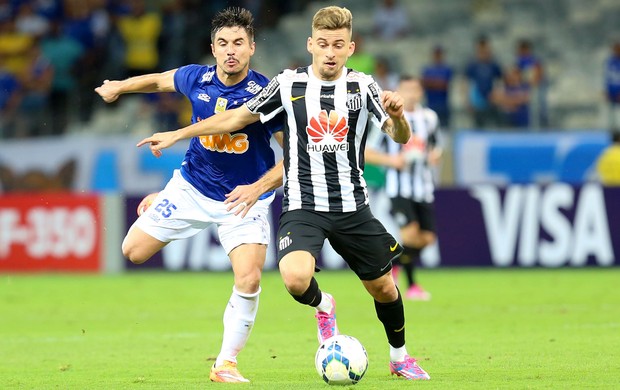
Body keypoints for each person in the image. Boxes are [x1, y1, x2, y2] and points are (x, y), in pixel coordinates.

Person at [137, 6, 431, 381]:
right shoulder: (288, 84)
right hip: (303, 204)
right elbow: (235, 118)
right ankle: (324, 308)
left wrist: (400, 116)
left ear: (350, 48)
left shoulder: (365, 87)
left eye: (338, 45)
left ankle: (399, 356)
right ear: (310, 44)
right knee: (294, 279)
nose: (329, 52)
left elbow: (399, 137)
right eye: (323, 44)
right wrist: (178, 134)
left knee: (384, 288)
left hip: (352, 205)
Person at [94, 7, 283, 383]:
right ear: (212, 49)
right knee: (132, 251)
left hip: (242, 199)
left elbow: (295, 157)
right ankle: (159, 201)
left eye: (239, 43)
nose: (231, 50)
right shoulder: (196, 77)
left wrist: (259, 188)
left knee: (249, 279)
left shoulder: (266, 94)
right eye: (223, 43)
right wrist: (119, 85)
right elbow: (159, 81)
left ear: (252, 49)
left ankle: (226, 363)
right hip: (192, 188)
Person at [365, 76, 441, 301]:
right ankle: (412, 286)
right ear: (398, 91)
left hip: (423, 187)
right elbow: (367, 152)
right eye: (406, 89)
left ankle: (393, 265)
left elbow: (435, 146)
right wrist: (393, 161)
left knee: (427, 238)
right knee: (409, 236)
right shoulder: (387, 119)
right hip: (399, 188)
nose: (411, 94)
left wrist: (435, 156)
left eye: (415, 89)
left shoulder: (429, 118)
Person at [465, 36, 503, 128]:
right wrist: (468, 101)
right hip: (477, 102)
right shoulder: (473, 65)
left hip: (491, 101)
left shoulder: (493, 65)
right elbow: (466, 83)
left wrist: (498, 95)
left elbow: (500, 81)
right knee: (479, 127)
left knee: (494, 125)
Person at [422, 45, 453, 129]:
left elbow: (444, 85)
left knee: (444, 128)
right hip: (430, 104)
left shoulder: (447, 69)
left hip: (443, 105)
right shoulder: (427, 69)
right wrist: (437, 83)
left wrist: (431, 83)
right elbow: (424, 83)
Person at [604, 41, 620, 128]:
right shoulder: (610, 62)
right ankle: (613, 134)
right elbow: (607, 78)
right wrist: (607, 91)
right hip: (612, 93)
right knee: (612, 115)